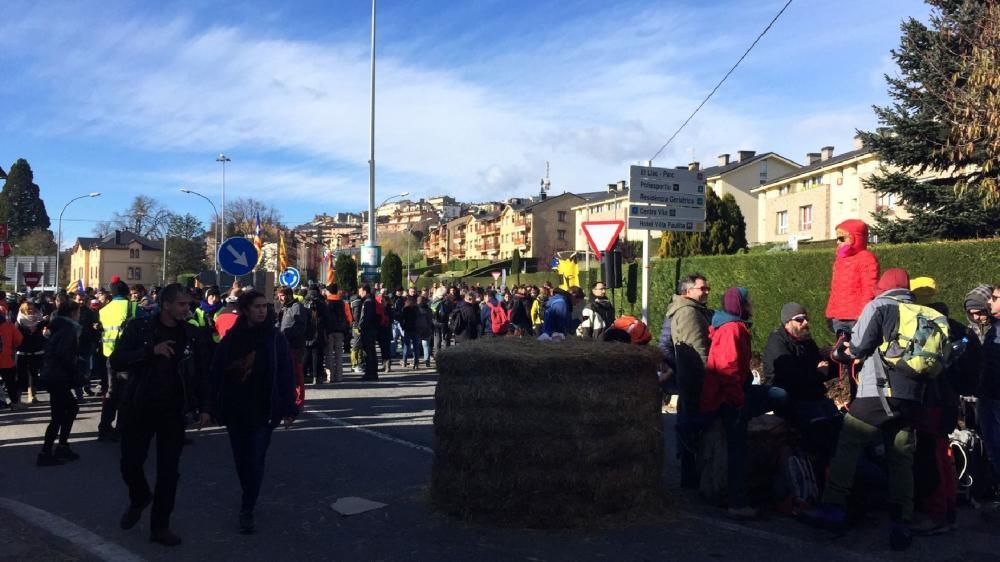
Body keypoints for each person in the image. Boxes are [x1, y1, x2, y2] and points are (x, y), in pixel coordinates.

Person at [801, 268, 922, 551]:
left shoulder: (879, 306)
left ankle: (833, 508)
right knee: (901, 458)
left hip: (877, 393)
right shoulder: (919, 310)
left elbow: (856, 348)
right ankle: (902, 520)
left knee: (848, 443)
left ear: (883, 288)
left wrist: (836, 354)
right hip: (911, 397)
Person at [111, 284, 209, 547]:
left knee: (169, 472)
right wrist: (149, 352)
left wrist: (206, 407)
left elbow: (202, 372)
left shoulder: (192, 334)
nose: (187, 309)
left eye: (188, 304)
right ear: (166, 305)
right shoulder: (139, 328)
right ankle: (140, 496)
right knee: (130, 463)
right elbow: (117, 360)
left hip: (173, 411)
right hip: (139, 405)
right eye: (181, 304)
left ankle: (160, 526)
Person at [206, 290, 297, 534]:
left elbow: (286, 372)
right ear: (245, 310)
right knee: (241, 459)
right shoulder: (233, 338)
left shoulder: (274, 338)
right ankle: (249, 492)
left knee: (255, 458)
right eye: (256, 307)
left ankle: (247, 507)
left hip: (264, 408)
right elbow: (216, 372)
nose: (261, 311)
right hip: (236, 408)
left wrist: (290, 406)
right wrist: (209, 406)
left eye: (264, 307)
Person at [700, 287, 787, 519]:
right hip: (728, 397)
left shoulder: (731, 326)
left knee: (778, 395)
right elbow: (727, 369)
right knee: (737, 449)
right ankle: (738, 502)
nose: (752, 305)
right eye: (748, 301)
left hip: (732, 392)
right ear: (740, 305)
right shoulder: (732, 329)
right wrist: (739, 401)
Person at [664, 273, 713, 489]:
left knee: (688, 423)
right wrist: (709, 376)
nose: (706, 291)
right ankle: (692, 477)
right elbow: (697, 349)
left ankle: (690, 475)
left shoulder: (691, 311)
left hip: (688, 377)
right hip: (694, 380)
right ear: (688, 291)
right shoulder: (688, 313)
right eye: (702, 288)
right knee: (691, 425)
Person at [763, 303, 838, 427]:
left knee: (836, 420)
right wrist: (818, 373)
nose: (805, 322)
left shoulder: (806, 341)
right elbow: (791, 376)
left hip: (812, 393)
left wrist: (837, 357)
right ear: (787, 322)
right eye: (799, 319)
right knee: (821, 425)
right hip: (791, 397)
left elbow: (820, 365)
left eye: (806, 319)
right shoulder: (777, 342)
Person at [37, 301, 83, 466]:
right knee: (60, 414)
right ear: (72, 313)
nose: (79, 315)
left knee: (69, 409)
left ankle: (60, 446)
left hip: (53, 374)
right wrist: (75, 370)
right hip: (58, 376)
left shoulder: (59, 326)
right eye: (78, 312)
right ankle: (47, 452)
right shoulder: (68, 329)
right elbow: (62, 353)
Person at [98, 281, 141, 442]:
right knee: (126, 394)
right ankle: (121, 428)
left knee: (111, 393)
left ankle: (104, 427)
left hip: (109, 354)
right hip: (127, 355)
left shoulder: (104, 310)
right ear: (126, 292)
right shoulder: (133, 307)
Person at [825, 219, 879, 337]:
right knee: (841, 350)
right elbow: (835, 290)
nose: (838, 242)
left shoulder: (866, 258)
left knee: (856, 351)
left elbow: (869, 288)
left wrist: (863, 313)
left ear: (854, 238)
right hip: (838, 316)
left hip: (855, 317)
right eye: (837, 239)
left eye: (842, 238)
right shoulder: (840, 260)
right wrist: (830, 311)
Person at [276, 287, 306, 408]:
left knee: (296, 374)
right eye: (278, 296)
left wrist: (286, 332)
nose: (279, 298)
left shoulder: (297, 307)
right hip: (284, 345)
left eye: (282, 295)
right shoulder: (284, 307)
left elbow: (300, 327)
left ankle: (299, 402)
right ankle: (288, 399)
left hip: (295, 346)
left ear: (289, 295)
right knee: (286, 374)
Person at [15, 301, 46, 405]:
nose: (31, 311)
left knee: (34, 375)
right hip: (22, 352)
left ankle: (32, 395)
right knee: (21, 376)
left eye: (32, 309)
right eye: (28, 309)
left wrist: (42, 322)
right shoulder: (19, 322)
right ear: (23, 310)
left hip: (36, 351)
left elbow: (44, 330)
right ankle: (17, 398)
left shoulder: (40, 320)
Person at [324, 284, 351, 383]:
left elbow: (324, 318)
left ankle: (330, 377)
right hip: (340, 331)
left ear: (330, 291)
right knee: (339, 354)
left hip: (329, 331)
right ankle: (339, 376)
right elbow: (349, 318)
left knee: (329, 354)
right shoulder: (344, 303)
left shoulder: (326, 303)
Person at [357, 285, 380, 381]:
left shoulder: (368, 302)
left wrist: (361, 327)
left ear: (365, 291)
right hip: (371, 330)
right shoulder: (371, 301)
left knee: (369, 352)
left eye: (360, 291)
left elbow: (367, 318)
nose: (359, 293)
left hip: (368, 331)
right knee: (370, 352)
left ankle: (370, 374)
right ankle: (372, 373)